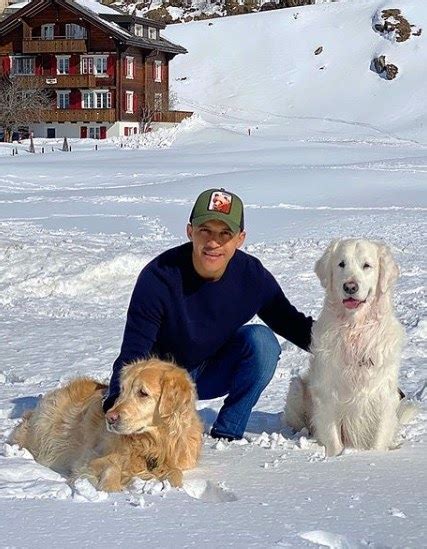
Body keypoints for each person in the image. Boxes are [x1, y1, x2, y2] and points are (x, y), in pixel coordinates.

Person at [103, 188, 313, 441]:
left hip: (213, 373)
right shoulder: (159, 276)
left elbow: (293, 324)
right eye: (205, 231)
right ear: (190, 231)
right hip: (161, 386)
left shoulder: (251, 277)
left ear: (240, 239)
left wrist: (345, 341)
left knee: (262, 342)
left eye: (225, 233)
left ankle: (228, 431)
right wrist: (115, 401)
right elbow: (134, 352)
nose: (213, 243)